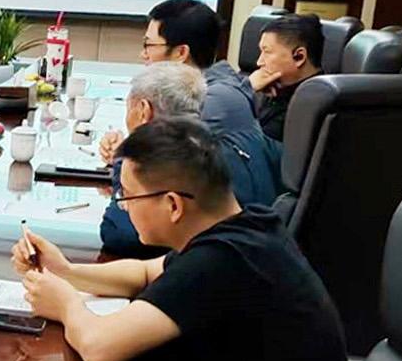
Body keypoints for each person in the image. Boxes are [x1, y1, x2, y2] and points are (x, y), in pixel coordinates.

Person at [12, 117, 345, 361]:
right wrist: (67, 271)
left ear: (173, 205)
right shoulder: (249, 227)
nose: (124, 205)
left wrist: (65, 303)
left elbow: (98, 345)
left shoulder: (221, 262)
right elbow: (144, 273)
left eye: (127, 196)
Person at [99, 63, 282, 257]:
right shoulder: (213, 142)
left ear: (144, 110)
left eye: (129, 108)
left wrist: (129, 156)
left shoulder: (175, 163)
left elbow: (119, 232)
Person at [139, 0, 257, 133]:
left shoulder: (212, 100)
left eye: (148, 45)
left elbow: (158, 144)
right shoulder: (197, 91)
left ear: (181, 53)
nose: (143, 55)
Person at [250, 14, 324, 142]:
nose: (259, 62)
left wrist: (246, 90)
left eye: (267, 52)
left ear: (299, 57)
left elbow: (245, 145)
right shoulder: (277, 89)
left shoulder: (305, 107)